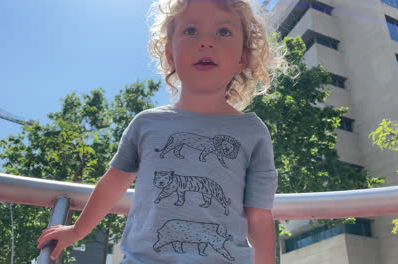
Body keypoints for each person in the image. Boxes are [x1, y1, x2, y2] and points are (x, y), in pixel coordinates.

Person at [37, 0, 288, 263]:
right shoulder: (147, 123)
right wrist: (76, 231)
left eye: (223, 31)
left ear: (243, 58)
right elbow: (113, 183)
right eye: (191, 31)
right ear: (170, 55)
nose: (206, 41)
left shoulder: (253, 132)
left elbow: (259, 215)